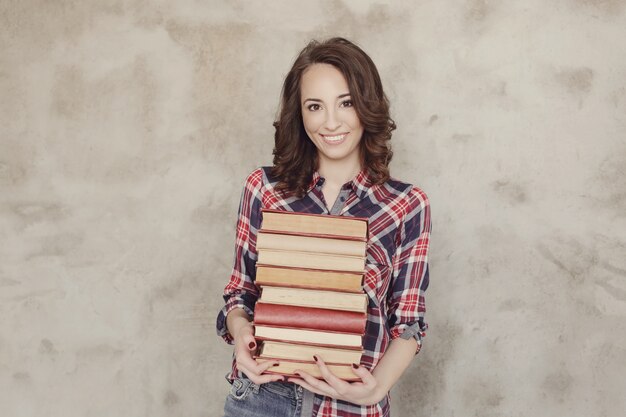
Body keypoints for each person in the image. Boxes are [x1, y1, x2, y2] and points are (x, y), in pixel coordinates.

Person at [216, 37, 431, 417]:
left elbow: (409, 322)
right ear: (300, 115)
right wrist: (240, 335)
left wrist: (376, 388)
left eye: (345, 103)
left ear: (367, 105)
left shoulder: (406, 206)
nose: (331, 122)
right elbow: (240, 292)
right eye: (315, 106)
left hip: (352, 406)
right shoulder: (264, 190)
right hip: (262, 398)